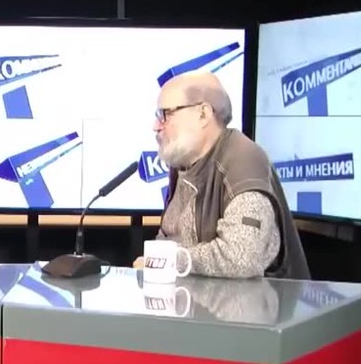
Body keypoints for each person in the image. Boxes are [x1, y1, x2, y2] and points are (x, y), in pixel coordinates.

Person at [133, 70, 310, 279]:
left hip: (262, 299)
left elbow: (241, 257)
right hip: (201, 296)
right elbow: (170, 239)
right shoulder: (183, 162)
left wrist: (166, 262)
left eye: (166, 114)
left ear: (203, 114)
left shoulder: (244, 159)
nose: (156, 126)